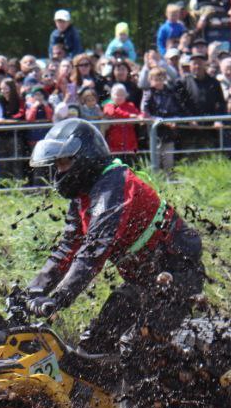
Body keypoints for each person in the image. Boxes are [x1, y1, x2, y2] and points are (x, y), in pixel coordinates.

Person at [24, 118, 203, 374]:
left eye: (63, 163)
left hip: (176, 280)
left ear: (84, 158)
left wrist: (59, 298)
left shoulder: (115, 186)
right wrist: (33, 291)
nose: (59, 172)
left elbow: (93, 252)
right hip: (142, 283)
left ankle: (153, 397)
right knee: (93, 344)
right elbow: (67, 248)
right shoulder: (83, 196)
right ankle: (100, 399)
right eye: (57, 165)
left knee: (136, 348)